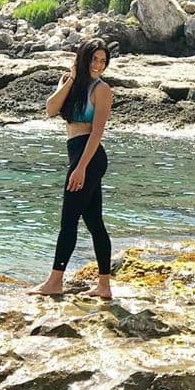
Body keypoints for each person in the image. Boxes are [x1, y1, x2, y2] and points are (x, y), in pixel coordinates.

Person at [33, 38, 114, 298]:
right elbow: (50, 109)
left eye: (103, 61)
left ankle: (55, 281)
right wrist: (70, 79)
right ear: (84, 58)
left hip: (89, 157)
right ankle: (104, 286)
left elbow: (97, 133)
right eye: (94, 59)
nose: (99, 65)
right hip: (77, 155)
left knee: (68, 221)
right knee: (94, 223)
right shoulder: (70, 83)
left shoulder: (102, 91)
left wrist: (80, 168)